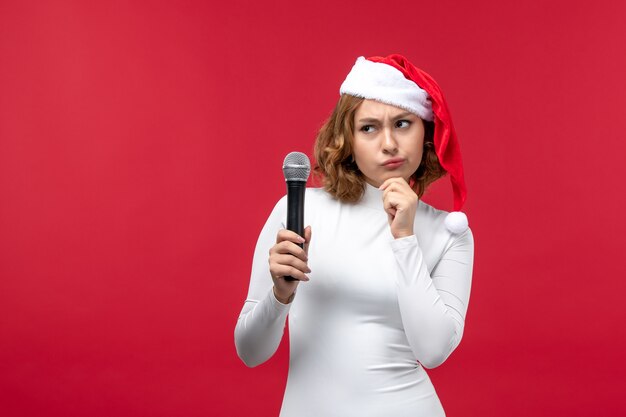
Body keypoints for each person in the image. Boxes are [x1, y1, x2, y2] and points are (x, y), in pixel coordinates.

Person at [234, 54, 474, 417]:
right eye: (369, 128)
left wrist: (405, 238)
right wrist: (280, 295)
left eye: (403, 123)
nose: (389, 143)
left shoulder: (449, 233)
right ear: (347, 138)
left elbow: (434, 350)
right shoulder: (298, 211)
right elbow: (250, 352)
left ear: (425, 132)